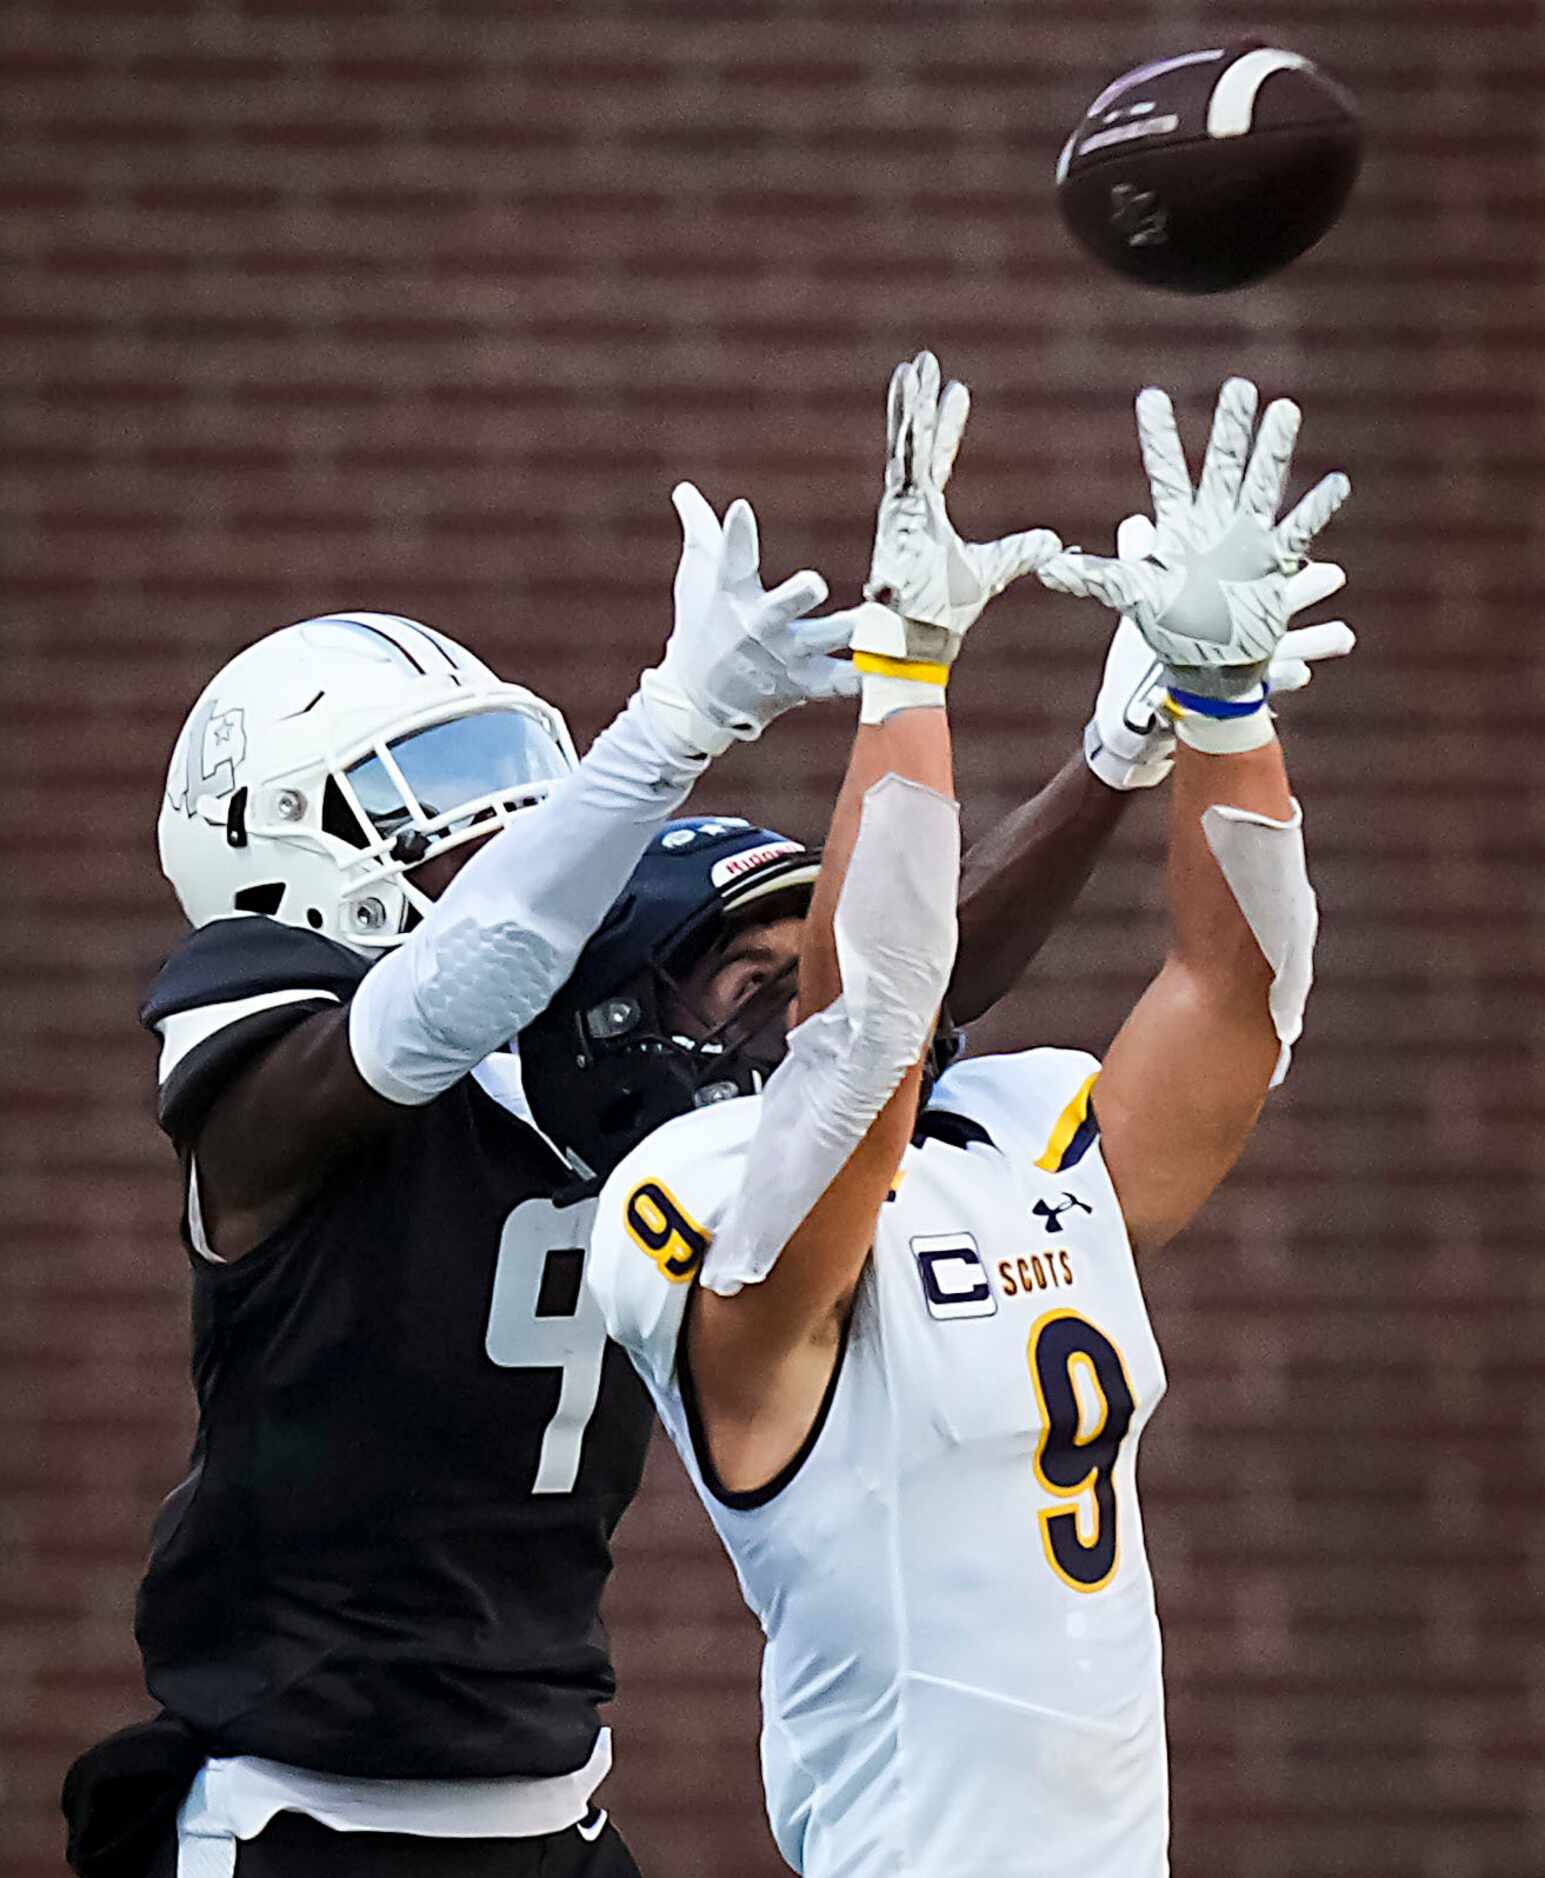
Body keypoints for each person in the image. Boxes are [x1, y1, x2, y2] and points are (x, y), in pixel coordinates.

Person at [62, 422, 1188, 1877]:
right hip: (299, 1819)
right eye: (423, 782)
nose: (494, 816)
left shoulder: (580, 1043)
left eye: (499, 764)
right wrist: (664, 729)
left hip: (550, 1810)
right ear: (283, 843)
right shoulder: (281, 1085)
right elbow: (421, 1019)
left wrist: (1116, 759)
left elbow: (880, 1002)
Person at [576, 358, 1350, 1876]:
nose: (782, 982)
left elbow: (1236, 995)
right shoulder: (678, 1194)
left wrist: (1220, 706)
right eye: (740, 969)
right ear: (628, 1034)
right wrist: (904, 670)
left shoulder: (1007, 1136)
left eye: (794, 944)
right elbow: (858, 1037)